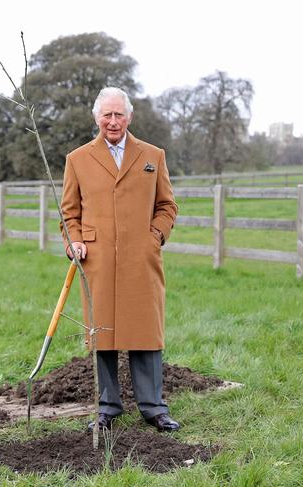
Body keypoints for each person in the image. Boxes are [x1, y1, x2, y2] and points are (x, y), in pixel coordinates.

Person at [60, 87, 180, 432]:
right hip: (96, 261)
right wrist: (76, 242)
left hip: (141, 259)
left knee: (145, 331)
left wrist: (153, 236)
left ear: (130, 117)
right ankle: (107, 408)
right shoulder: (78, 159)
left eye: (119, 115)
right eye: (107, 115)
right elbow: (69, 213)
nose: (113, 121)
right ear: (97, 117)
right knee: (103, 333)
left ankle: (154, 407)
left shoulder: (152, 156)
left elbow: (167, 206)